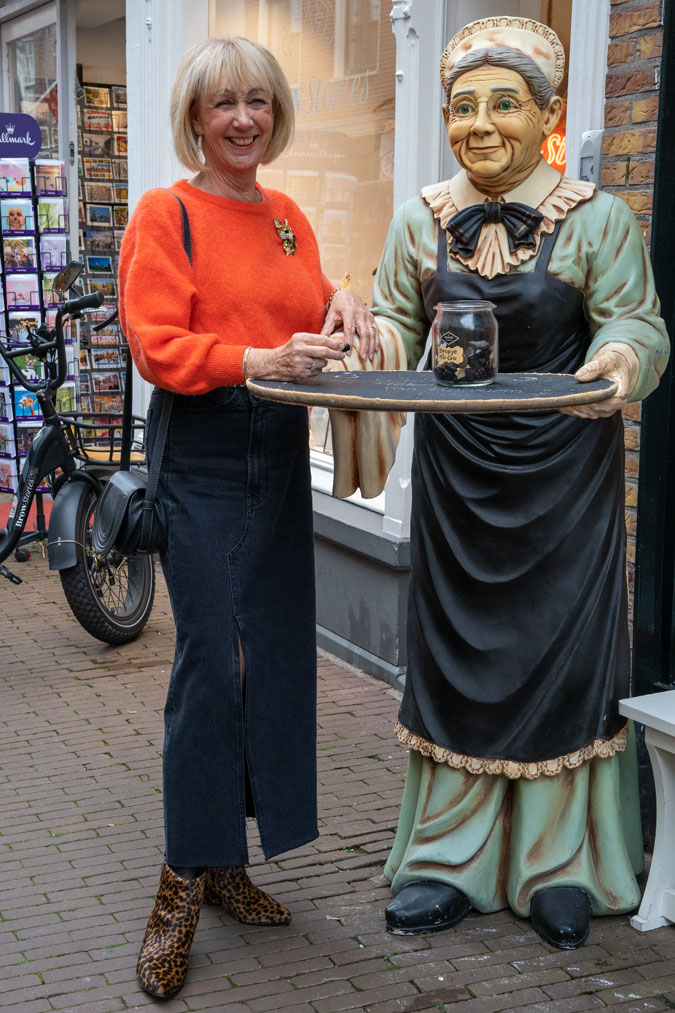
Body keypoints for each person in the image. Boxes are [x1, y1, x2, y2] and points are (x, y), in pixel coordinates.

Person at [368, 17, 670, 949]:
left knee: (556, 661)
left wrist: (619, 359)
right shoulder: (419, 215)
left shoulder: (597, 217)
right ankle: (446, 859)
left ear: (544, 115)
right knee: (459, 666)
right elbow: (390, 321)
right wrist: (363, 347)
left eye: (504, 103)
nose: (480, 123)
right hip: (458, 487)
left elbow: (638, 321)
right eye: (462, 108)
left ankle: (557, 865)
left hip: (562, 491)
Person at [118, 36, 377, 1000]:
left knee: (268, 654)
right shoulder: (167, 212)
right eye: (223, 102)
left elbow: (302, 296)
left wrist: (342, 296)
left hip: (278, 447)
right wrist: (257, 362)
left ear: (274, 115)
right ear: (194, 116)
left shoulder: (286, 217)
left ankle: (230, 862)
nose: (242, 118)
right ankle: (181, 882)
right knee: (211, 661)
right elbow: (156, 344)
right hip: (206, 446)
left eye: (258, 102)